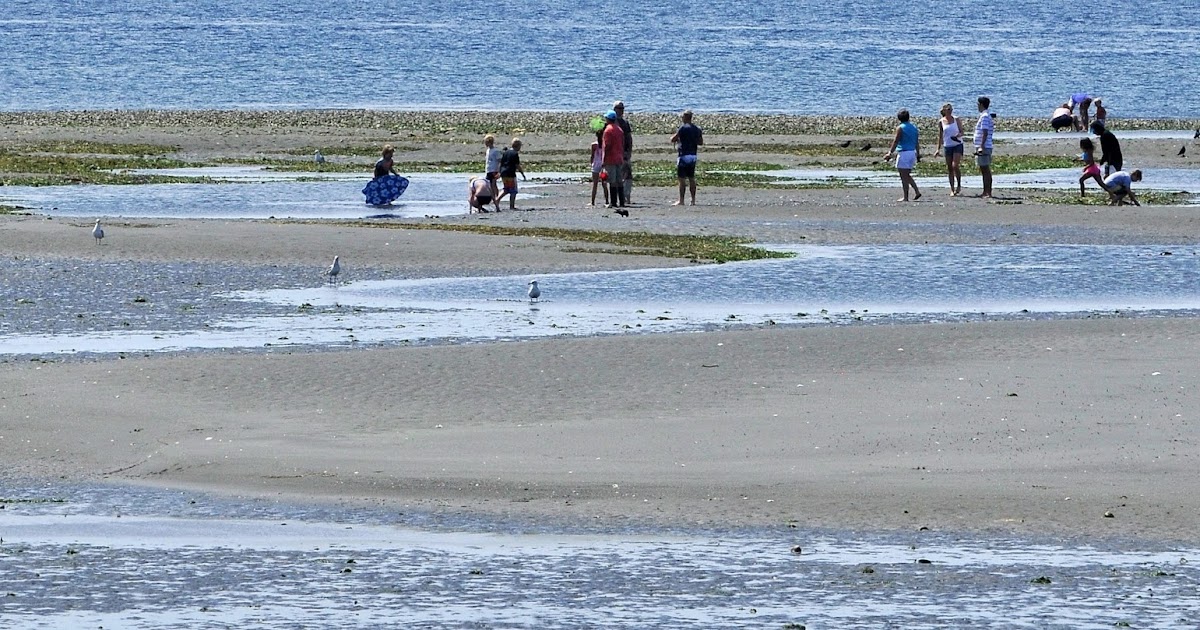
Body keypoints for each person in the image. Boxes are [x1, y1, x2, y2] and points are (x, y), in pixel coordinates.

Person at [884, 108, 922, 202]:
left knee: (903, 176)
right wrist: (918, 154)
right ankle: (917, 192)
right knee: (907, 175)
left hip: (904, 153)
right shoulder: (914, 127)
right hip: (912, 153)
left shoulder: (900, 128)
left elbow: (896, 141)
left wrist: (890, 153)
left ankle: (906, 197)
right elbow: (916, 142)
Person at [669, 109, 704, 205]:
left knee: (682, 179)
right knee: (691, 178)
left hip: (683, 155)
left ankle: (681, 200)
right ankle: (693, 200)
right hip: (693, 156)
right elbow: (700, 142)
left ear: (685, 117)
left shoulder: (682, 128)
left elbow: (673, 139)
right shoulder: (697, 129)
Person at [932, 102, 965, 195]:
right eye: (948, 109)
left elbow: (962, 131)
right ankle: (952, 189)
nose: (950, 111)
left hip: (957, 144)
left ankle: (958, 185)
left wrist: (958, 135)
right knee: (950, 168)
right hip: (948, 145)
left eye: (951, 109)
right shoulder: (941, 121)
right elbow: (940, 136)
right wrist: (938, 149)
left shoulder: (956, 119)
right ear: (944, 111)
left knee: (955, 165)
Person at [601, 110, 627, 214]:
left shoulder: (608, 130)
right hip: (619, 157)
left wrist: (604, 159)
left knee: (612, 181)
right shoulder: (619, 130)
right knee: (619, 180)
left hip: (611, 158)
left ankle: (613, 202)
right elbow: (622, 143)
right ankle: (621, 201)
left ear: (608, 119)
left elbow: (607, 146)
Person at [495, 138, 526, 210]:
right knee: (513, 190)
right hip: (510, 174)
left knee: (506, 189)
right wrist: (522, 174)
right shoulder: (515, 154)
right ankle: (512, 206)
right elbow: (517, 165)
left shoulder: (505, 152)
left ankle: (497, 199)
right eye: (520, 146)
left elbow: (501, 163)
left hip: (503, 173)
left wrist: (499, 172)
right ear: (517, 146)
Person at [613, 101, 634, 204]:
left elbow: (629, 138)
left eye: (622, 109)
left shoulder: (625, 123)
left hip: (625, 153)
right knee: (616, 176)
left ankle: (627, 196)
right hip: (615, 153)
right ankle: (617, 197)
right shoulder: (612, 123)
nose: (621, 111)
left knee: (628, 175)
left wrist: (629, 151)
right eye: (619, 108)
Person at [974, 96, 994, 198]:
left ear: (981, 105)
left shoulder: (985, 116)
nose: (977, 106)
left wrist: (981, 146)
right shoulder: (984, 115)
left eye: (978, 104)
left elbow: (985, 132)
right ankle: (985, 191)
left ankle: (988, 192)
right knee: (983, 168)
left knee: (985, 169)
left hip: (984, 146)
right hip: (982, 146)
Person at [589, 130, 608, 206]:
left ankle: (593, 202)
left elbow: (592, 156)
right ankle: (607, 201)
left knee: (595, 184)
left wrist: (591, 163)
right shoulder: (604, 144)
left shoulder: (594, 145)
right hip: (603, 164)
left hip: (596, 164)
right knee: (604, 184)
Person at [484, 134, 502, 212]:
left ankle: (496, 200)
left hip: (494, 170)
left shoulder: (496, 151)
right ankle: (494, 200)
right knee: (490, 186)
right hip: (488, 170)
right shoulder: (488, 150)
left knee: (493, 186)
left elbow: (500, 161)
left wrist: (499, 171)